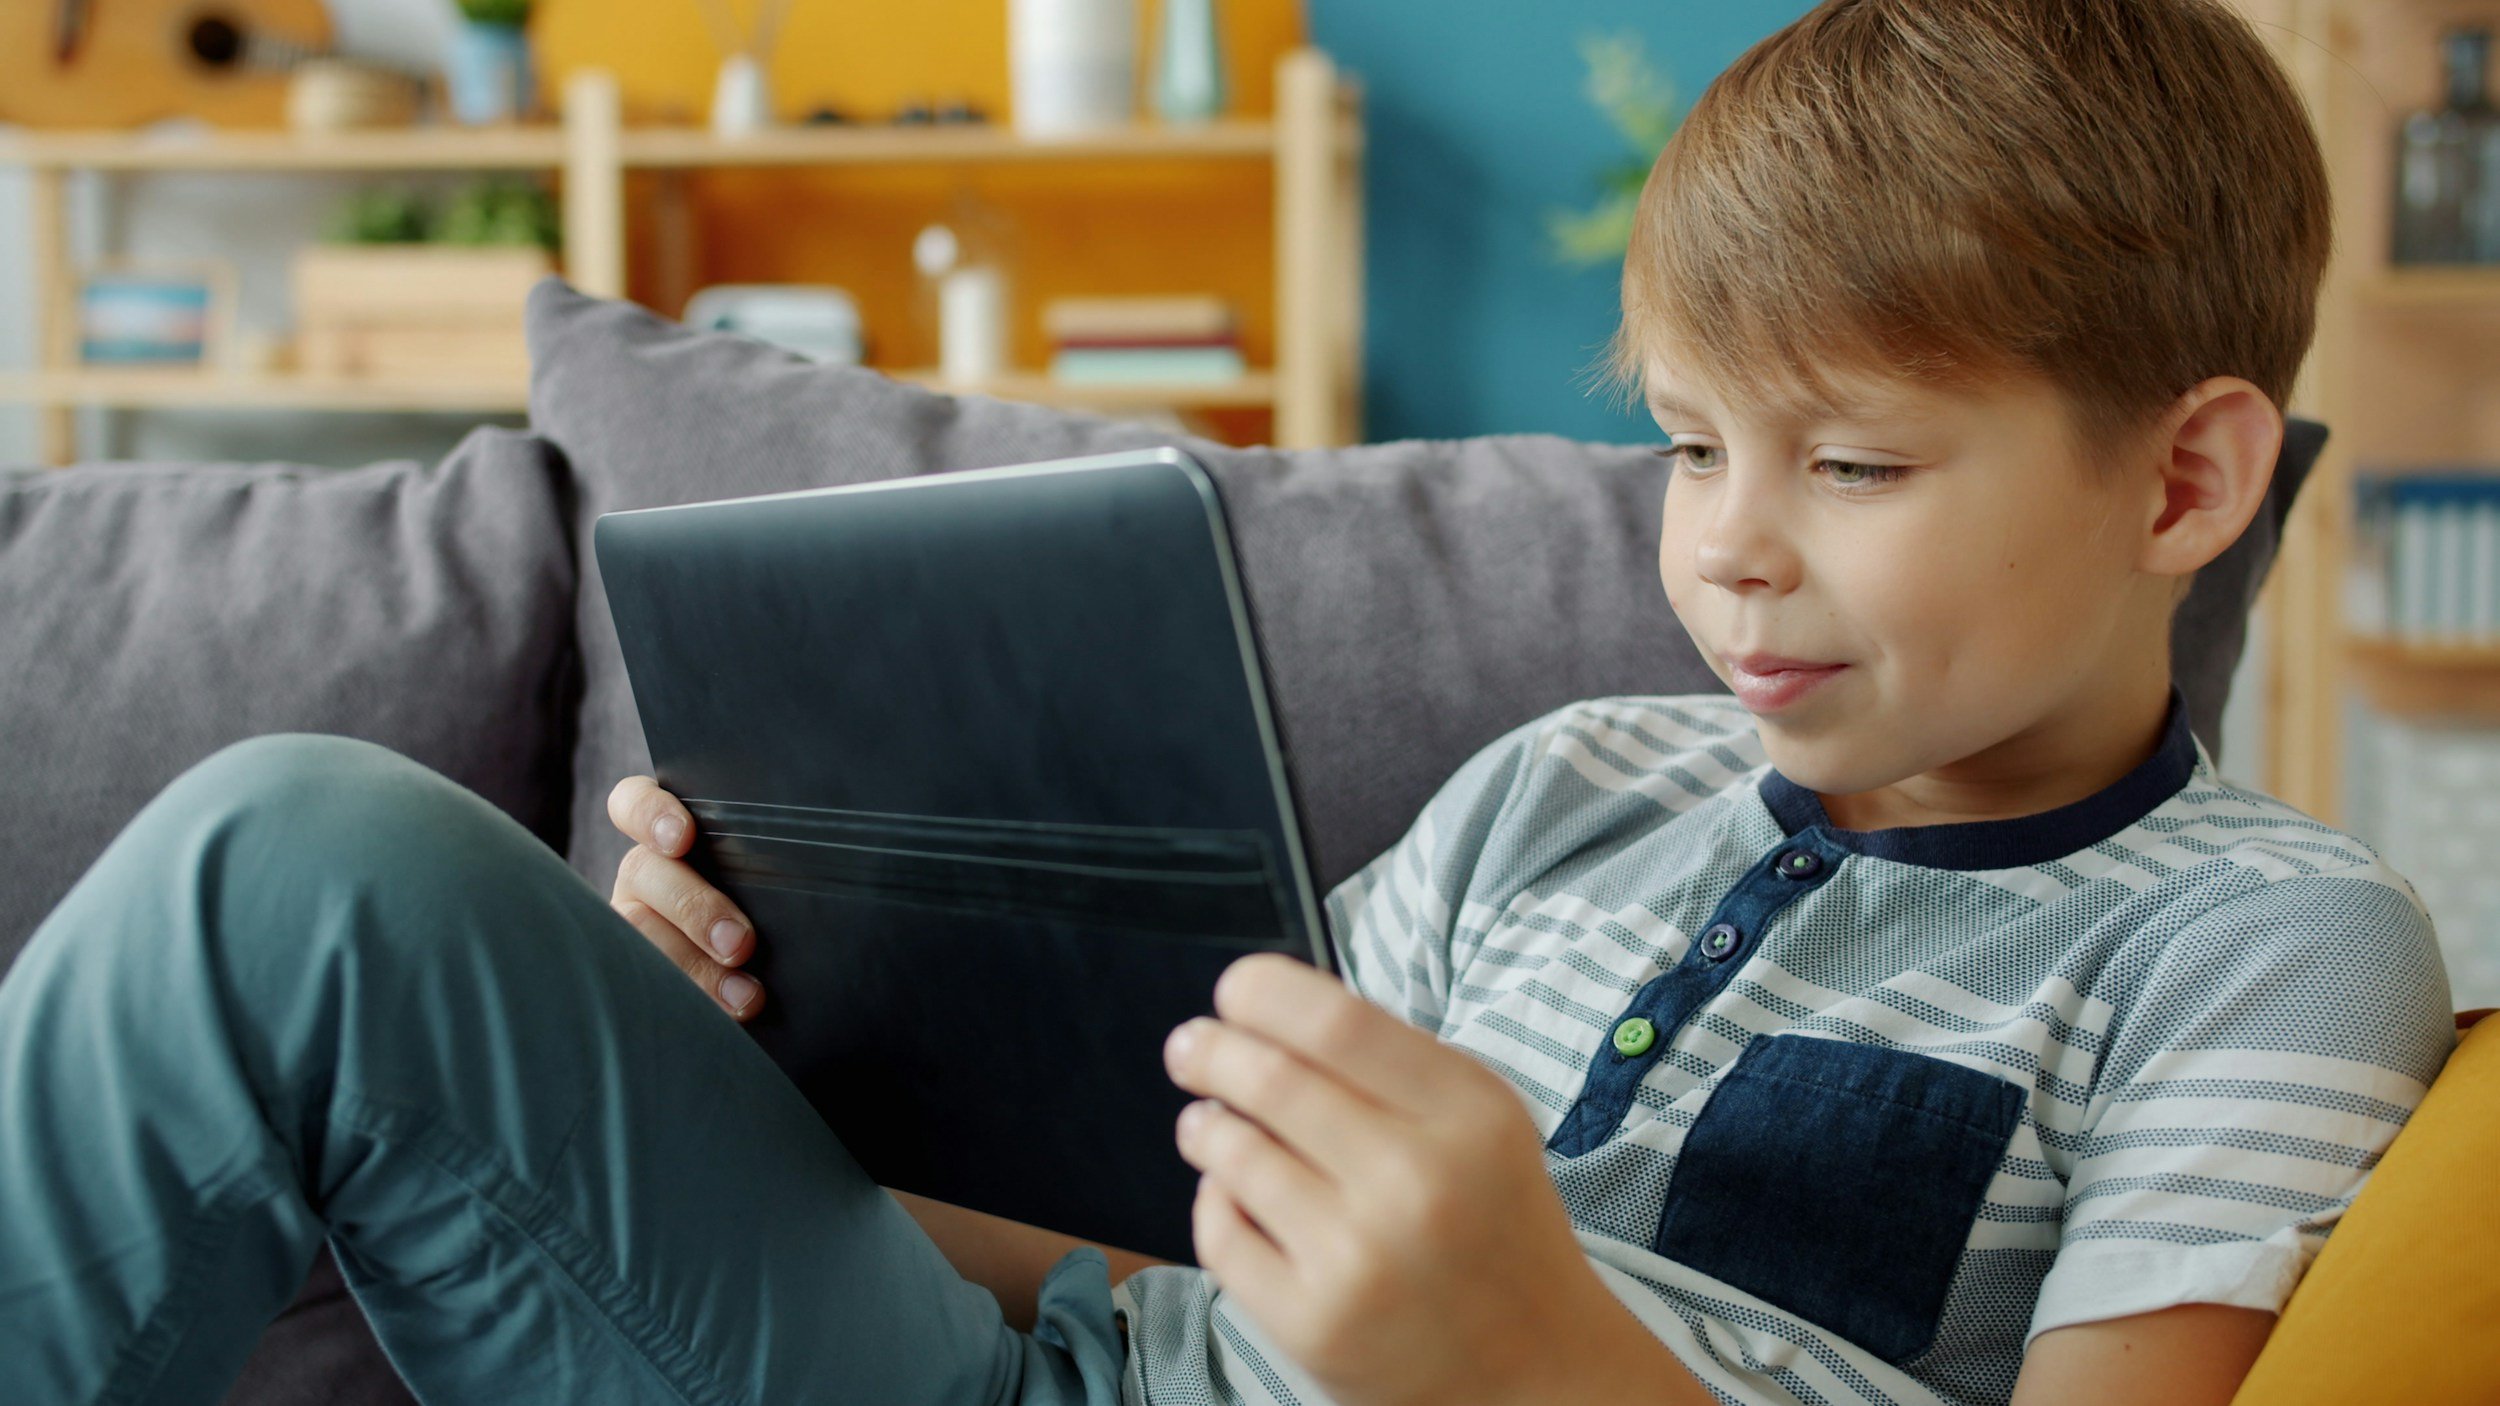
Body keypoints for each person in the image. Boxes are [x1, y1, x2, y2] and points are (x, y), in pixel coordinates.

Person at [0, 1, 2460, 1403]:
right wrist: (743, 1054)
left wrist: (1525, 1356)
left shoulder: (2257, 943)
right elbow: (1127, 1239)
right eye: (1690, 444)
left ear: (2185, 479)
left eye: (1848, 460)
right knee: (295, 854)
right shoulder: (1560, 790)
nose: (1723, 540)